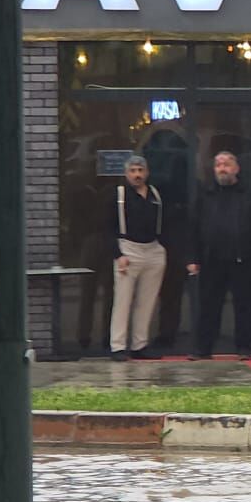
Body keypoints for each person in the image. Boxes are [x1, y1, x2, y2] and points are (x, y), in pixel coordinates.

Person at [187, 150, 251, 360]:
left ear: (236, 168)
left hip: (245, 259)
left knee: (245, 306)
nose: (222, 168)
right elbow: (194, 228)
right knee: (209, 306)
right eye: (218, 165)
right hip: (212, 260)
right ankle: (203, 348)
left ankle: (243, 348)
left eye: (227, 164)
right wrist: (193, 258)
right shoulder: (206, 194)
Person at [108, 155, 168, 362]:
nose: (137, 175)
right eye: (133, 171)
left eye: (141, 170)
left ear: (147, 173)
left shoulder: (155, 194)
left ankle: (139, 344)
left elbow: (164, 225)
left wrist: (162, 248)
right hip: (128, 248)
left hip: (153, 249)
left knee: (147, 301)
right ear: (126, 173)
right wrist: (118, 255)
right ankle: (117, 346)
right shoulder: (119, 195)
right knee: (123, 300)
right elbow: (108, 228)